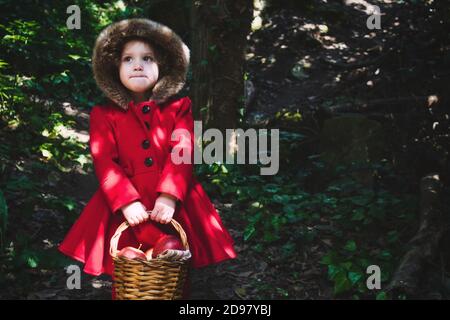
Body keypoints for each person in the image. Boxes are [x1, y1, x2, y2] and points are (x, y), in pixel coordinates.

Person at [58, 18, 237, 299]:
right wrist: (126, 201)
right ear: (114, 68)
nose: (137, 65)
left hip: (173, 203)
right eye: (128, 59)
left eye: (147, 58)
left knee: (174, 262)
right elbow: (105, 161)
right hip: (126, 207)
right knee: (127, 266)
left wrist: (170, 195)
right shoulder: (103, 115)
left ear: (163, 65)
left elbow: (183, 151)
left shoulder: (179, 107)